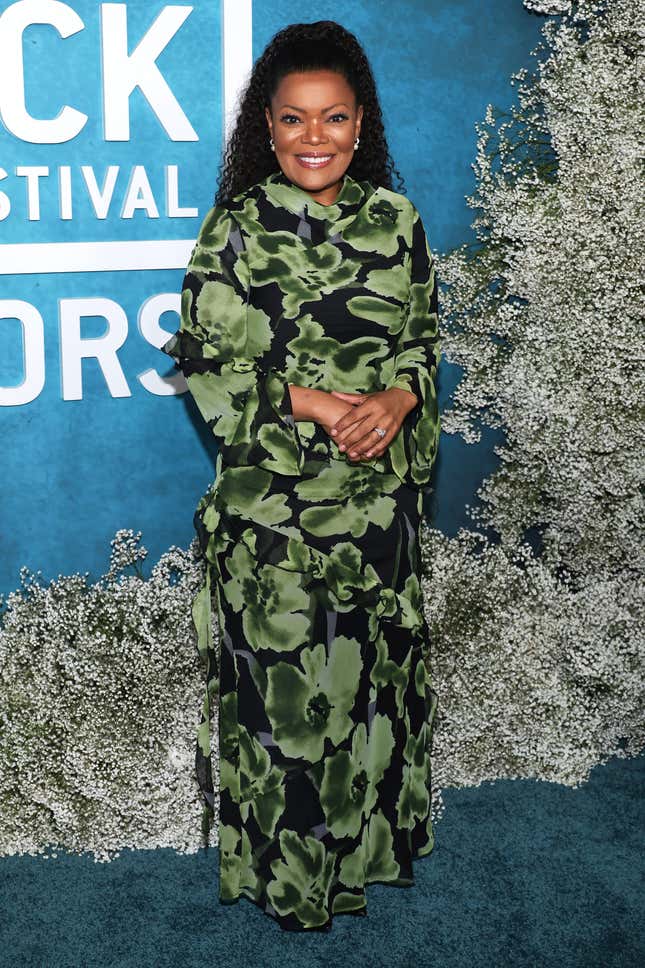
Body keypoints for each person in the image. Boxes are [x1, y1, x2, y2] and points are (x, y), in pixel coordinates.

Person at [161, 19, 441, 932]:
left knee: (367, 691)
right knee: (287, 715)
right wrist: (321, 403)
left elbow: (420, 345)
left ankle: (364, 864)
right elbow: (206, 368)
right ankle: (291, 885)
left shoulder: (398, 224)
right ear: (265, 129)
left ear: (362, 125)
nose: (313, 138)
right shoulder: (235, 232)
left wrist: (399, 399)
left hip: (376, 513)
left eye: (332, 118)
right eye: (292, 120)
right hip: (273, 520)